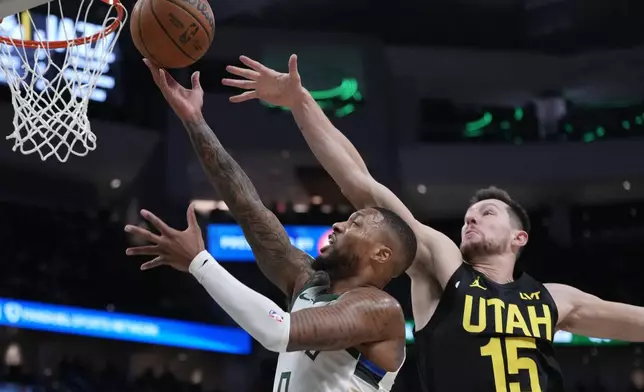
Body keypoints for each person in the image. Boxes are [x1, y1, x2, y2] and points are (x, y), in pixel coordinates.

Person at [222, 54, 644, 392]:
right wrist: (302, 102)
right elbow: (361, 184)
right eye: (467, 215)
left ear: (520, 237)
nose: (471, 218)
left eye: (487, 213)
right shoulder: (443, 271)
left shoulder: (555, 299)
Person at [123, 59, 418, 392]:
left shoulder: (380, 310)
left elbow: (278, 332)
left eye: (355, 223)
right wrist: (194, 120)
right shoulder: (308, 283)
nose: (337, 225)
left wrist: (200, 263)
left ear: (381, 254)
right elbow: (248, 208)